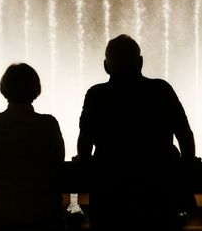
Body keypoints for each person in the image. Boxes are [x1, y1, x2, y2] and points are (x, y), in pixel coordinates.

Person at [77, 34, 196, 231]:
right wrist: (186, 170)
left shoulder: (97, 95)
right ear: (140, 62)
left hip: (110, 193)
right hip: (158, 192)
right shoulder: (161, 90)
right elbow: (185, 134)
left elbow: (85, 141)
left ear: (106, 66)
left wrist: (85, 163)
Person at [0, 63, 66, 231]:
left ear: (4, 89)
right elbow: (57, 161)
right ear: (36, 89)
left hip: (4, 215)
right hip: (45, 214)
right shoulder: (48, 124)